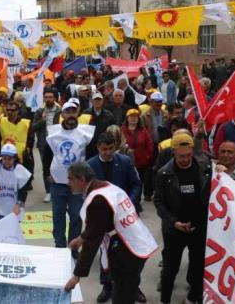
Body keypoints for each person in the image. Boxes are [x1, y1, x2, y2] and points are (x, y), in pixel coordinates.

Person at [64, 162, 156, 304]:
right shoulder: (106, 187)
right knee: (126, 289)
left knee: (122, 296)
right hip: (138, 240)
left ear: (82, 179)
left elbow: (92, 241)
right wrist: (81, 238)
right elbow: (100, 224)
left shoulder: (98, 199)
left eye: (70, 178)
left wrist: (77, 275)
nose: (68, 182)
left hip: (127, 250)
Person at [153, 131, 211, 304]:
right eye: (181, 156)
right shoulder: (164, 174)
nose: (185, 159)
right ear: (174, 153)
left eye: (188, 156)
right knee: (170, 270)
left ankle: (193, 298)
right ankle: (165, 300)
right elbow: (158, 202)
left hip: (199, 229)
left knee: (197, 268)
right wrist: (174, 222)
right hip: (174, 230)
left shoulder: (204, 167)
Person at [86, 133, 144, 302]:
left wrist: (129, 203)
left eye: (111, 148)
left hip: (126, 216)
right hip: (103, 219)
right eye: (104, 149)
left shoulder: (125, 162)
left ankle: (134, 287)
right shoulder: (90, 166)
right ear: (98, 147)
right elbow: (88, 192)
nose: (108, 152)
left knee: (131, 253)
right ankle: (107, 286)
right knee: (105, 252)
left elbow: (136, 184)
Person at [46, 100, 94, 251]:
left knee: (76, 216)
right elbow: (46, 155)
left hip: (78, 185)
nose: (71, 115)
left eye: (73, 111)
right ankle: (60, 246)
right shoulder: (53, 133)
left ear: (77, 113)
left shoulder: (85, 133)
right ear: (62, 115)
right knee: (58, 216)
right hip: (57, 182)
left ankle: (73, 247)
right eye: (67, 112)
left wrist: (88, 180)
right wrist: (47, 174)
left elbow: (91, 156)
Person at [0, 143, 31, 223]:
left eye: (10, 158)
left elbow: (23, 191)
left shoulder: (21, 171)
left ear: (15, 158)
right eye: (4, 158)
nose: (6, 161)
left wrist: (18, 204)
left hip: (13, 206)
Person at [32, 88, 61, 202]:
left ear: (54, 98)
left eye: (50, 97)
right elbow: (33, 127)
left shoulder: (60, 111)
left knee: (57, 167)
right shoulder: (39, 111)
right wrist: (42, 120)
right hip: (44, 144)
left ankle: (57, 190)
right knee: (46, 168)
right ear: (43, 98)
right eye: (46, 97)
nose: (48, 99)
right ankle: (48, 192)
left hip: (56, 143)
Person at [122, 109, 153, 202]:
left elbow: (150, 144)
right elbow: (118, 144)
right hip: (126, 163)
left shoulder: (143, 131)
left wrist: (147, 156)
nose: (133, 118)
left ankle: (137, 202)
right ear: (127, 118)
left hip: (141, 163)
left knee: (139, 183)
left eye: (135, 116)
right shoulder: (122, 130)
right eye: (131, 116)